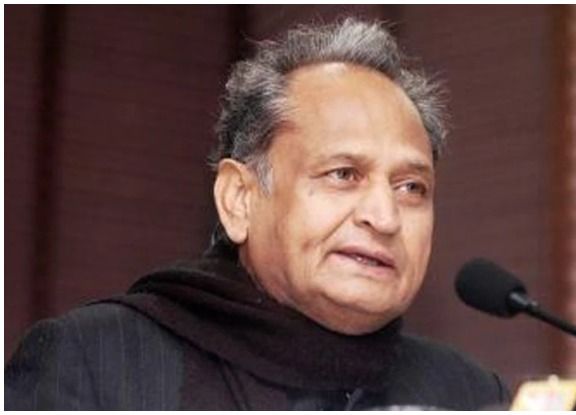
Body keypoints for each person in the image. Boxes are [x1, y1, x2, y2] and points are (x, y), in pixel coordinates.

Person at [5, 18, 510, 410]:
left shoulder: (467, 393)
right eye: (343, 174)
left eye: (411, 188)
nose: (385, 216)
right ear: (239, 199)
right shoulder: (97, 361)